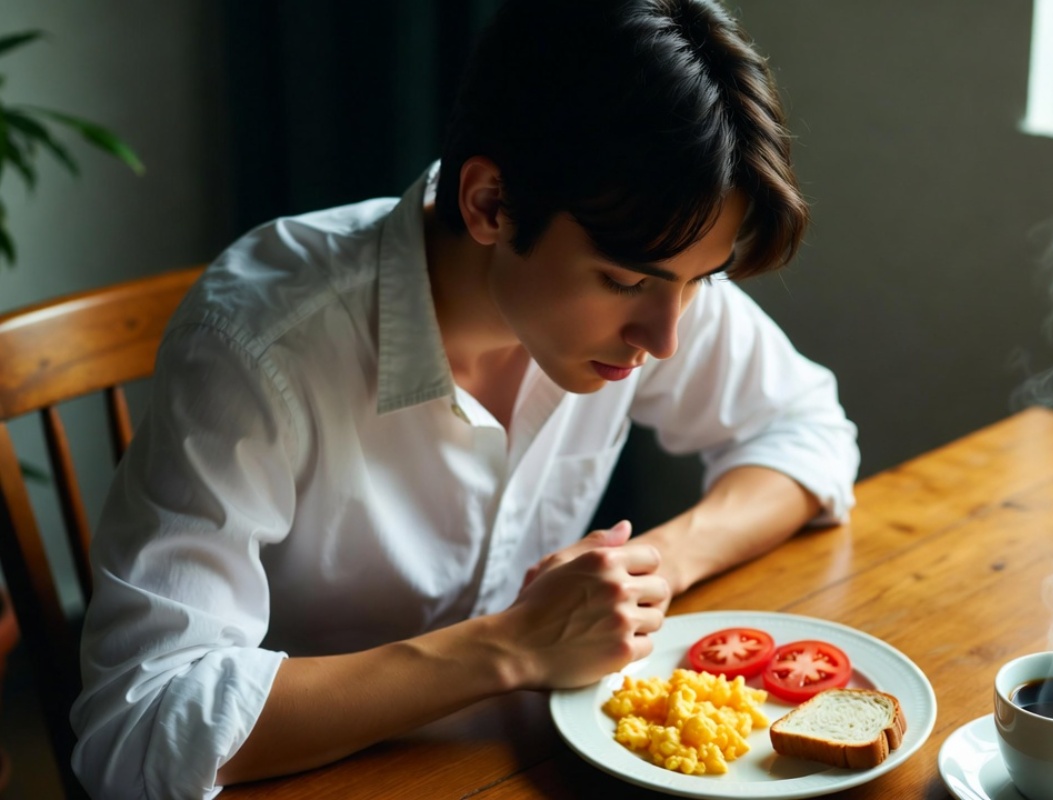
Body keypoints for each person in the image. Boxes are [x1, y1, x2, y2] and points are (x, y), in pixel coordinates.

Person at [70, 0, 859, 796]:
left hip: (527, 762)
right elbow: (141, 724)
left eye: (700, 284)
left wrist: (647, 574)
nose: (665, 340)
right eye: (625, 282)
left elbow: (806, 430)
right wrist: (512, 646)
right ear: (488, 204)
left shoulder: (656, 256)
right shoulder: (257, 345)